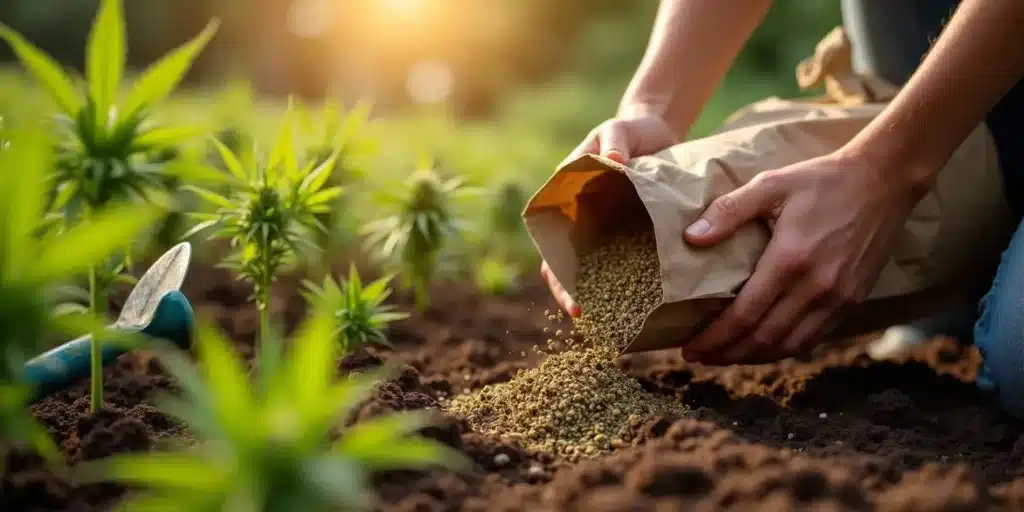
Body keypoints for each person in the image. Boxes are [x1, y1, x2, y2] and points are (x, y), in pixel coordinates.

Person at [540, 0, 1024, 417]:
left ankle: (975, 274)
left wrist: (885, 175)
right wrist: (653, 106)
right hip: (930, 56)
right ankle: (965, 274)